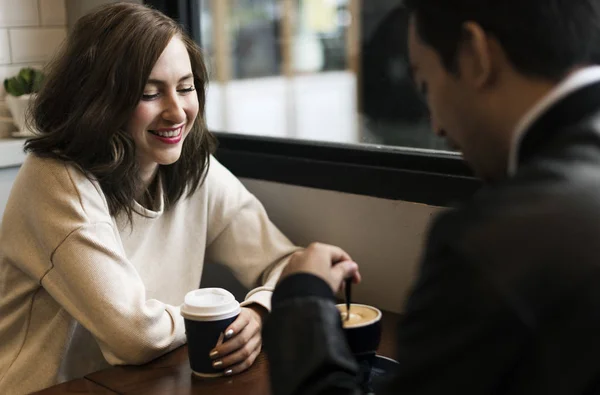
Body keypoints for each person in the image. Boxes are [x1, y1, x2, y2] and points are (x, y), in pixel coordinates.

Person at [264, 0, 600, 393]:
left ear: (474, 53)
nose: (438, 126)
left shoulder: (492, 240)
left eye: (425, 85)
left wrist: (302, 298)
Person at [0, 3, 301, 394]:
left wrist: (259, 311)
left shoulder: (191, 168)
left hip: (146, 382)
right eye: (149, 93)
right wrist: (223, 319)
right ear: (98, 101)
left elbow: (288, 261)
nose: (177, 112)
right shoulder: (54, 180)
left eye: (186, 87)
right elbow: (134, 335)